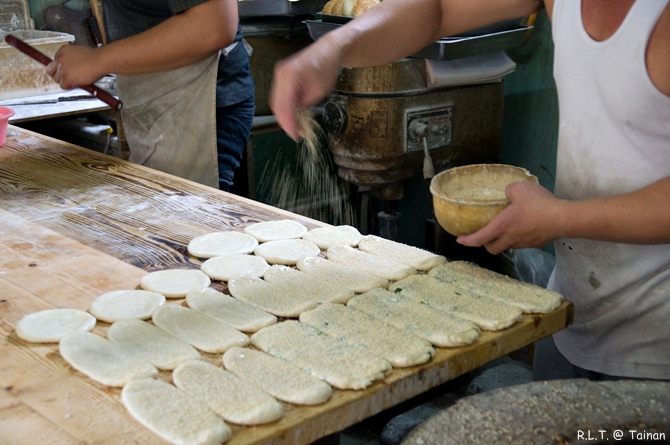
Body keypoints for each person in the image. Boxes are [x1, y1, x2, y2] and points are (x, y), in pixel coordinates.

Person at [270, 0, 670, 381]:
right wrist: (332, 49)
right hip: (574, 315)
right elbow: (438, 11)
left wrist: (562, 218)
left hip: (656, 348)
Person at [47, 0, 255, 192]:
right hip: (161, 101)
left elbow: (214, 24)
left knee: (185, 224)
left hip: (197, 101)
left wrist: (96, 61)